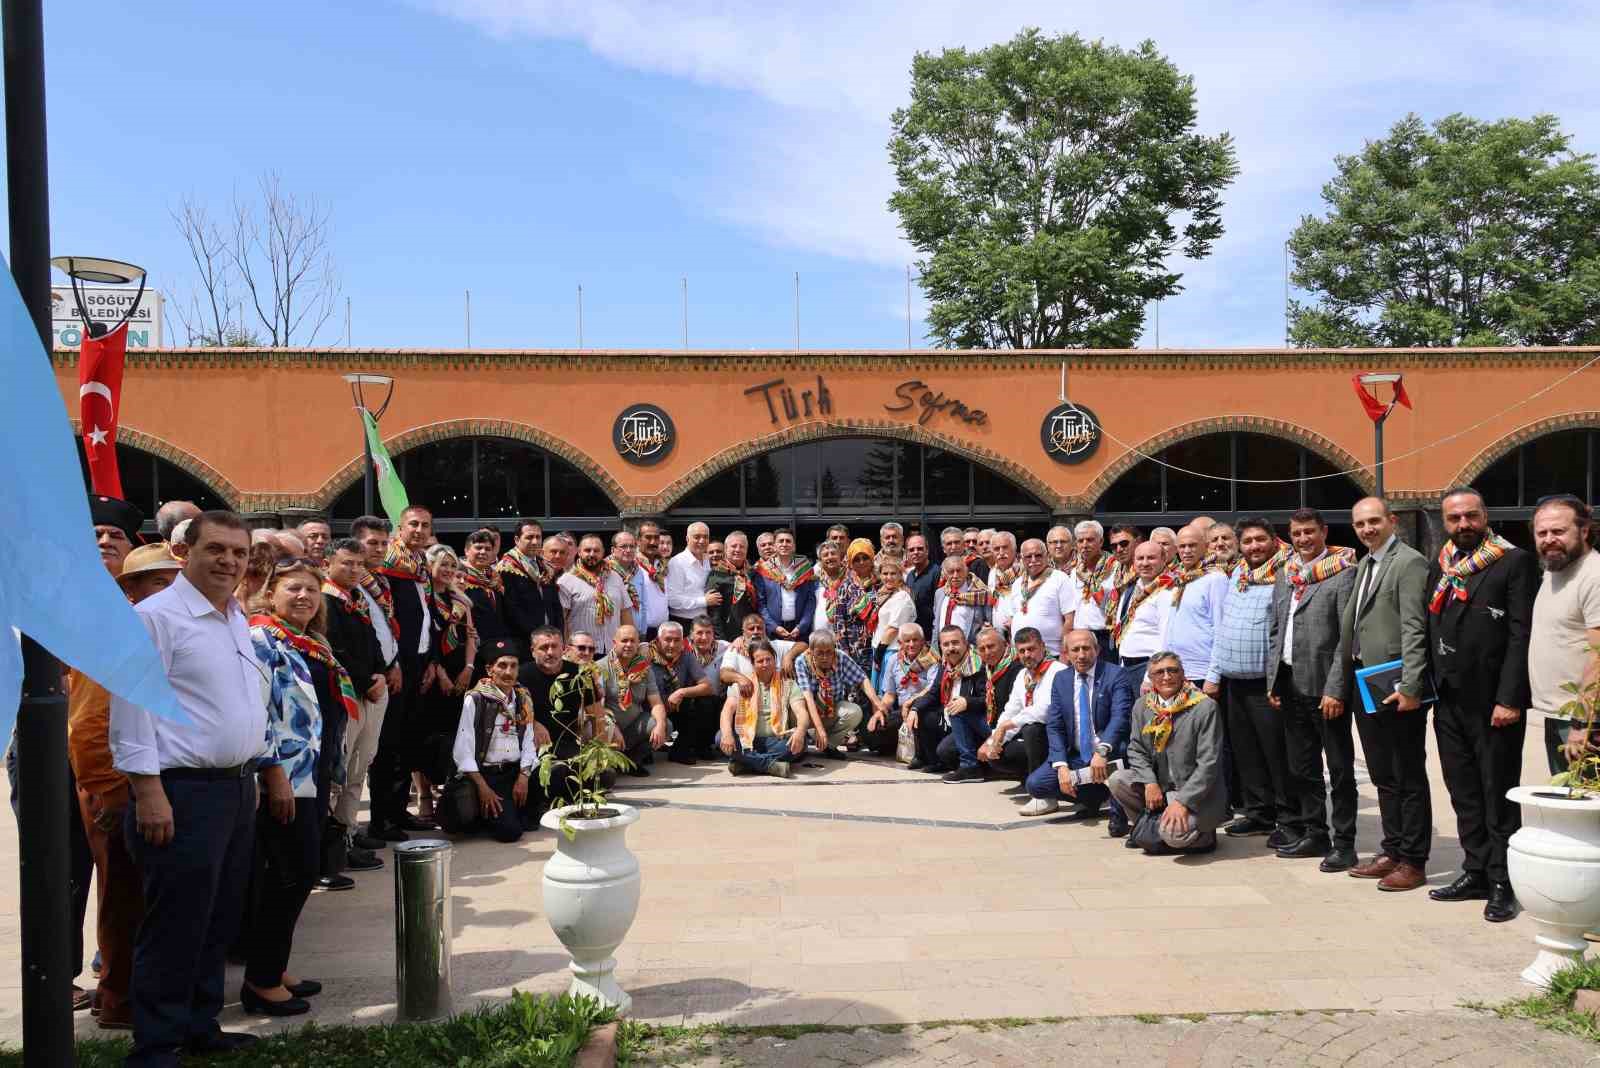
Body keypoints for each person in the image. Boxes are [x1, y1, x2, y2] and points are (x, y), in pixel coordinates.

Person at [110, 510, 266, 1062]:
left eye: (239, 553)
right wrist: (148, 790)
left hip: (232, 789)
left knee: (218, 918)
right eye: (216, 549)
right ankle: (156, 1046)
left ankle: (201, 1026)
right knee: (175, 924)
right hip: (180, 792)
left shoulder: (234, 616)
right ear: (186, 553)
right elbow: (130, 710)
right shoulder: (156, 617)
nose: (228, 561)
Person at [242, 557, 358, 1014]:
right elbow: (259, 711)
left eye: (312, 589)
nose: (304, 597)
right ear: (271, 593)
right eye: (293, 588)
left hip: (314, 774)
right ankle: (261, 982)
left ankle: (273, 965)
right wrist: (272, 773)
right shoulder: (262, 640)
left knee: (299, 872)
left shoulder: (313, 643)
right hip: (284, 779)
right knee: (293, 871)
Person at [1420, 487, 1536, 921]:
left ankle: (1504, 880)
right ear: (1444, 523)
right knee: (1463, 791)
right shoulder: (1443, 565)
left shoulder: (1514, 562)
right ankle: (1476, 870)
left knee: (1496, 792)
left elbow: (1520, 635)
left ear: (1485, 516)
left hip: (1494, 704)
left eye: (1471, 516)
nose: (1463, 524)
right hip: (1449, 699)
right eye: (1455, 518)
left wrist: (1510, 698)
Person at [69, 504, 163, 1029]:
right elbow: (87, 725)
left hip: (148, 784)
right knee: (123, 897)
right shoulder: (114, 632)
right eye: (155, 582)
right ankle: (119, 1000)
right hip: (117, 788)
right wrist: (107, 790)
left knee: (144, 897)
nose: (169, 590)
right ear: (134, 588)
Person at [1341, 496, 1432, 892]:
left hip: (1397, 685)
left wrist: (1411, 686)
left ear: (1392, 521)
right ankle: (1392, 850)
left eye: (1374, 521)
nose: (1367, 529)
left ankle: (1413, 860)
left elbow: (1415, 628)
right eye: (1360, 524)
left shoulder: (1409, 562)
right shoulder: (1366, 564)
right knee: (1382, 773)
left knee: (1407, 774)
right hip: (1368, 682)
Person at [1265, 509, 1360, 872]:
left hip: (1325, 688)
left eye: (1309, 532)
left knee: (1338, 768)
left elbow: (1345, 639)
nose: (1303, 539)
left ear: (1323, 532)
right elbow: (1276, 630)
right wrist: (1272, 680)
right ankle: (1314, 831)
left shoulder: (1342, 574)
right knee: (1301, 766)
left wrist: (1336, 688)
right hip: (1289, 683)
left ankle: (1345, 842)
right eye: (1296, 533)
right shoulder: (1285, 575)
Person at [1215, 517, 1294, 849]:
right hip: (1235, 680)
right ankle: (1259, 812)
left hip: (1267, 683)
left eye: (1260, 540)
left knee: (1277, 754)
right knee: (1247, 753)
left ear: (1274, 541)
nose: (1254, 547)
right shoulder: (1238, 575)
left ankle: (1289, 819)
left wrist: (1278, 682)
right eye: (1247, 541)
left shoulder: (1286, 574)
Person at [1109, 651, 1228, 855]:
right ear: (1151, 678)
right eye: (1159, 672)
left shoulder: (1204, 707)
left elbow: (1209, 764)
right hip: (1162, 789)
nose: (1166, 676)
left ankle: (1200, 835)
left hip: (1196, 795)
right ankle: (1153, 828)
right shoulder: (1142, 706)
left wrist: (1183, 802)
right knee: (1117, 779)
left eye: (1172, 670)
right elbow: (1136, 750)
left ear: (1182, 674)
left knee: (1173, 837)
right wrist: (1150, 782)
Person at [370, 505, 441, 838]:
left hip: (419, 662)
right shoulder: (388, 567)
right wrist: (394, 663)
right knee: (389, 746)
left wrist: (431, 662)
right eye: (413, 524)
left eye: (425, 525)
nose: (420, 530)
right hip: (397, 664)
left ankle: (399, 812)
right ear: (400, 529)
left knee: (407, 741)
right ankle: (382, 819)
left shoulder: (421, 565)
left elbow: (428, 617)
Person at [318, 540, 387, 879]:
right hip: (346, 696)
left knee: (359, 770)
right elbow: (335, 651)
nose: (355, 570)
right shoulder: (324, 600)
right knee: (339, 773)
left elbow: (373, 642)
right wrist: (366, 681)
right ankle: (329, 849)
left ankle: (346, 834)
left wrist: (380, 672)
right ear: (328, 562)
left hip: (371, 692)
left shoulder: (358, 598)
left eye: (359, 564)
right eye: (347, 563)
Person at [1024, 629, 1134, 825]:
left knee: (1117, 827)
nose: (1081, 655)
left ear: (1097, 650)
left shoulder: (1116, 675)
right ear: (1066, 653)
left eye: (1086, 648)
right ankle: (1093, 797)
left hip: (1110, 752)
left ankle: (1117, 803)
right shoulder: (1062, 679)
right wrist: (1061, 765)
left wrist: (1102, 751)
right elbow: (1055, 725)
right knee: (1036, 785)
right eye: (1075, 650)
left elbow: (1120, 718)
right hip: (1077, 756)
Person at [447, 639, 549, 842]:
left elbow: (528, 740)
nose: (508, 672)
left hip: (514, 771)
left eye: (513, 666)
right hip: (487, 775)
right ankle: (481, 811)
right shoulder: (476, 699)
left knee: (533, 816)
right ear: (489, 669)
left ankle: (502, 812)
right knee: (510, 833)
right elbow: (463, 749)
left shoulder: (523, 698)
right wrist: (483, 788)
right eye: (502, 665)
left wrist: (523, 776)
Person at [1533, 496, 1600, 776]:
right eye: (1542, 533)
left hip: (1583, 720)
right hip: (1558, 714)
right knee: (1568, 804)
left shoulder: (1593, 575)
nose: (1549, 539)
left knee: (1587, 806)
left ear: (1584, 531)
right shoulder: (1554, 571)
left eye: (1558, 531)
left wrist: (1583, 724)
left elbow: (1598, 656)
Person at [348, 516, 403, 845]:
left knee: (383, 754)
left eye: (384, 543)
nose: (380, 549)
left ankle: (382, 820)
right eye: (373, 543)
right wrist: (377, 672)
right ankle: (349, 834)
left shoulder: (379, 583)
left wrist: (393, 664)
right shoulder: (351, 586)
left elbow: (385, 631)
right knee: (357, 762)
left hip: (386, 675)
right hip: (364, 684)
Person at [417, 546, 478, 825]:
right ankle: (424, 796)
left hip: (459, 672)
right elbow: (426, 637)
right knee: (425, 735)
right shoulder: (424, 597)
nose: (448, 571)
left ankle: (451, 794)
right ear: (430, 566)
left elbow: (470, 637)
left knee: (456, 735)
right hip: (432, 672)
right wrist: (439, 671)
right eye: (443, 565)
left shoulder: (459, 599)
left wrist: (468, 668)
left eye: (453, 566)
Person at [519, 626, 606, 805]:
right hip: (533, 747)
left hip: (568, 744)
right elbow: (510, 713)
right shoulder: (521, 675)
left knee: (605, 775)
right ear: (533, 651)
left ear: (563, 649)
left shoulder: (580, 674)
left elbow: (598, 717)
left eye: (554, 646)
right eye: (544, 647)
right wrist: (533, 723)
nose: (550, 652)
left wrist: (599, 753)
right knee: (554, 775)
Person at [970, 627, 1062, 791]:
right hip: (1039, 740)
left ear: (1042, 646)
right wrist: (993, 741)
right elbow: (1011, 710)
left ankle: (1043, 792)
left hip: (1059, 739)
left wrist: (1006, 727)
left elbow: (1044, 711)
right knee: (996, 754)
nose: (1027, 655)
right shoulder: (1023, 675)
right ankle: (1030, 780)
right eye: (1022, 651)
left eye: (1031, 649)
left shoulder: (1057, 671)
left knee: (1032, 728)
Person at [718, 640, 806, 778]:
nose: (765, 664)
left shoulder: (787, 683)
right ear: (752, 664)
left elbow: (801, 711)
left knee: (800, 744)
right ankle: (770, 766)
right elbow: (727, 711)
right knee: (720, 738)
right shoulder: (743, 683)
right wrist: (727, 734)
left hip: (776, 740)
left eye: (768, 659)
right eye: (760, 661)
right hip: (747, 739)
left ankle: (744, 762)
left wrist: (800, 732)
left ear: (774, 659)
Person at [907, 626, 985, 774]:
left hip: (970, 723)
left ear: (965, 643)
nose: (951, 648)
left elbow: (987, 700)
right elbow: (933, 693)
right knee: (922, 714)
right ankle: (936, 762)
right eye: (946, 644)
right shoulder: (946, 665)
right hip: (950, 718)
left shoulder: (977, 666)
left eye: (955, 643)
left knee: (946, 751)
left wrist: (967, 702)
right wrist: (915, 708)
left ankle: (972, 766)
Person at [1164, 524, 1229, 693]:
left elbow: (1221, 629)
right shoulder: (1179, 579)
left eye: (1192, 545)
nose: (1187, 551)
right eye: (1182, 546)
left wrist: (1213, 676)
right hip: (1175, 671)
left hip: (1201, 673)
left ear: (1206, 547)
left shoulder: (1215, 578)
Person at [791, 629, 876, 758]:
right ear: (811, 650)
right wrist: (819, 729)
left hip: (832, 710)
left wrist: (877, 703)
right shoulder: (801, 662)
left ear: (834, 649)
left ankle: (828, 746)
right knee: (796, 750)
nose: (825, 657)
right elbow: (807, 698)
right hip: (808, 714)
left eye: (829, 652)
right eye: (820, 653)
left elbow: (862, 679)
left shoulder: (840, 657)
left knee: (855, 712)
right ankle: (810, 739)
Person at [595, 624, 670, 772]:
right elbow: (597, 708)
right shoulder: (600, 668)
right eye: (624, 640)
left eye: (632, 641)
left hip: (633, 727)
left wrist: (660, 725)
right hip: (608, 728)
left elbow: (656, 703)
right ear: (614, 642)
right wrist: (612, 727)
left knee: (665, 725)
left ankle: (631, 762)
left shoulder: (644, 669)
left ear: (638, 643)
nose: (628, 645)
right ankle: (611, 762)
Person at [649, 621, 715, 764]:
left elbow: (707, 686)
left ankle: (681, 749)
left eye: (677, 640)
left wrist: (681, 692)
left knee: (706, 702)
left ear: (683, 640)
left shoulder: (686, 655)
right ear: (658, 640)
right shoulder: (645, 654)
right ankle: (644, 750)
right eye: (667, 640)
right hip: (652, 707)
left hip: (676, 706)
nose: (672, 645)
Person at [870, 623, 937, 757]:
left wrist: (911, 704)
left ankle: (921, 752)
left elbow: (932, 689)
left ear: (923, 641)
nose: (911, 644)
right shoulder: (894, 660)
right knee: (873, 733)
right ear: (900, 643)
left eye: (915, 640)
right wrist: (880, 710)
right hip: (902, 711)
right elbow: (889, 695)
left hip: (924, 708)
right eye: (907, 641)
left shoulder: (932, 658)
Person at [561, 534, 633, 657]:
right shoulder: (567, 580)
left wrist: (630, 642)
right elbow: (562, 619)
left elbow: (625, 613)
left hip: (613, 650)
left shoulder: (615, 577)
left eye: (596, 550)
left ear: (603, 552)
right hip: (582, 652)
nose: (592, 554)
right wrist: (566, 650)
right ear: (579, 552)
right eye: (587, 550)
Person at [1008, 538, 1078, 657]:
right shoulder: (1017, 583)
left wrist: (1064, 655)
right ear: (1021, 559)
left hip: (1052, 654)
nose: (1033, 560)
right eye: (1028, 556)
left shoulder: (1060, 578)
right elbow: (1013, 619)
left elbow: (1070, 620)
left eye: (1038, 555)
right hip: (1023, 655)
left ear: (1047, 556)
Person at [1109, 541, 1171, 673]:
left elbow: (1166, 638)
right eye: (1140, 558)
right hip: (1125, 664)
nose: (1145, 563)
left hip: (1149, 667)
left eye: (1151, 558)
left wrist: (1151, 675)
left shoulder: (1168, 590)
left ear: (1164, 559)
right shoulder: (1131, 588)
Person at [498, 521, 553, 654]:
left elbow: (553, 604)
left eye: (538, 537)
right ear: (517, 540)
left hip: (550, 640)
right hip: (522, 642)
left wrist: (557, 633)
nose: (535, 541)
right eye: (529, 537)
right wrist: (536, 636)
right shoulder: (506, 567)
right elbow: (511, 609)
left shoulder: (544, 566)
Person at [756, 528, 818, 641]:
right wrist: (774, 627)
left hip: (800, 631)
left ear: (793, 545)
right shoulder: (763, 570)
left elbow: (810, 600)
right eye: (781, 541)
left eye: (788, 541)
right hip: (773, 632)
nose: (784, 544)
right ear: (774, 545)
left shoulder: (804, 568)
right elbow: (760, 603)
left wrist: (801, 627)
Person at [610, 528, 668, 642]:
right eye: (623, 546)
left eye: (632, 547)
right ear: (613, 550)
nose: (628, 550)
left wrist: (643, 631)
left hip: (637, 634)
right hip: (614, 634)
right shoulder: (605, 571)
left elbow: (643, 604)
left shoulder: (638, 571)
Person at [1069, 520, 1115, 660]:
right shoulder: (1075, 571)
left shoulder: (1115, 568)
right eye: (1080, 541)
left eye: (1090, 540)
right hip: (1079, 636)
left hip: (1104, 637)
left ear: (1101, 542)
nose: (1084, 545)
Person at [461, 529, 511, 656]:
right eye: (478, 548)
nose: (483, 552)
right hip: (470, 648)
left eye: (488, 549)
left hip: (496, 647)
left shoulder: (494, 578)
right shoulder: (459, 577)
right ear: (466, 551)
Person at [706, 530, 762, 642]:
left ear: (746, 550)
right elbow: (714, 614)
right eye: (734, 546)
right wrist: (721, 640)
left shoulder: (753, 573)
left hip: (753, 633)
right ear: (726, 550)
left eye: (742, 547)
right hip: (729, 636)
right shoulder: (716, 574)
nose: (737, 549)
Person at [666, 521, 719, 634]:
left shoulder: (708, 561)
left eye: (705, 537)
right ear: (687, 539)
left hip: (706, 624)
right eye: (697, 537)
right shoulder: (677, 563)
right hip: (684, 624)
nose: (702, 541)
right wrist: (704, 601)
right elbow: (672, 600)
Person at [834, 539, 879, 665]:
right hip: (854, 651)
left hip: (878, 647)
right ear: (851, 563)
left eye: (865, 558)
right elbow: (839, 621)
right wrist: (844, 652)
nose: (862, 562)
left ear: (872, 559)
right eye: (856, 559)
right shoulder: (846, 586)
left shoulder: (881, 583)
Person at [869, 555, 917, 672]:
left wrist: (879, 654)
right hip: (881, 647)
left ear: (900, 575)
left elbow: (893, 629)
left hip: (892, 651)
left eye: (893, 573)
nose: (889, 577)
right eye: (885, 574)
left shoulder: (902, 597)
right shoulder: (883, 594)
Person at [932, 553, 992, 646]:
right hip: (944, 649)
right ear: (945, 574)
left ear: (966, 571)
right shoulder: (940, 593)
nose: (955, 575)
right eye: (951, 571)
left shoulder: (979, 594)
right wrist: (934, 646)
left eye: (959, 571)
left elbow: (989, 623)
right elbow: (936, 623)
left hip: (971, 649)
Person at [902, 532, 939, 638]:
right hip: (913, 635)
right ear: (907, 554)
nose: (916, 552)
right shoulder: (910, 575)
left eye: (920, 549)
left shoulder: (937, 573)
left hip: (930, 635)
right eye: (911, 550)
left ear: (927, 551)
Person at [986, 532, 1021, 633]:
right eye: (997, 549)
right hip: (999, 633)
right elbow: (994, 600)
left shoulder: (1024, 570)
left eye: (1005, 547)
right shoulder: (992, 572)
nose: (1001, 553)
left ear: (1014, 549)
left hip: (1020, 628)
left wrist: (1016, 619)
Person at [813, 540, 850, 636]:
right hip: (820, 637)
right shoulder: (814, 580)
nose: (830, 557)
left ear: (840, 557)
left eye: (833, 553)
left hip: (846, 634)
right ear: (820, 561)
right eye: (825, 555)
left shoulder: (850, 577)